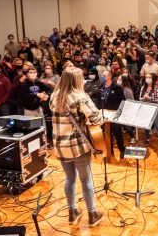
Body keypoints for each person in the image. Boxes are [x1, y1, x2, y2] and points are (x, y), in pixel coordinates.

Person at [49, 67, 104, 226]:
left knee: (69, 178)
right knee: (86, 179)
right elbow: (96, 118)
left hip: (59, 145)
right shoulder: (80, 97)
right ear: (76, 80)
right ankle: (92, 214)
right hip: (77, 146)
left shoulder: (55, 95)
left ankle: (72, 212)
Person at [139, 73, 158, 146]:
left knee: (157, 124)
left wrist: (149, 98)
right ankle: (147, 139)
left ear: (152, 79)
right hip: (145, 109)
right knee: (146, 125)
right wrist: (144, 98)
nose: (147, 78)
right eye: (146, 77)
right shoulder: (143, 88)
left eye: (149, 77)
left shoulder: (157, 88)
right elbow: (140, 99)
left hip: (154, 108)